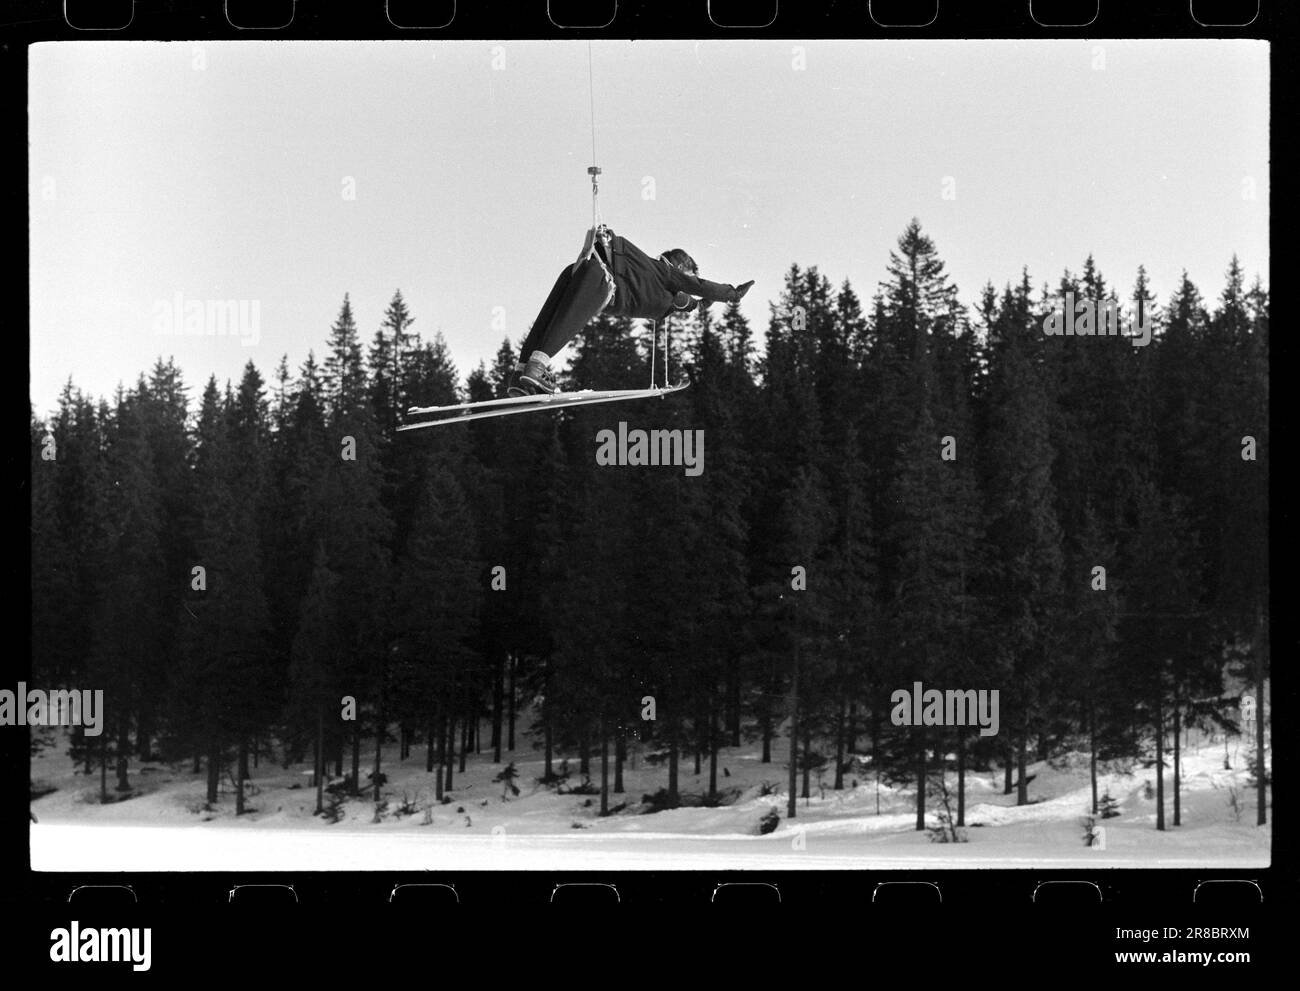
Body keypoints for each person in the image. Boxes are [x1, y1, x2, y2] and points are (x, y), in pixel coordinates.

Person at [508, 226, 754, 396]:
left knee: (550, 316)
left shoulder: (659, 284)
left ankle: (521, 375)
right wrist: (732, 295)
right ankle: (536, 369)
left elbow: (687, 301)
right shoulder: (667, 274)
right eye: (687, 275)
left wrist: (700, 304)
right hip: (600, 278)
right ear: (679, 268)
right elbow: (698, 287)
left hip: (580, 270)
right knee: (566, 321)